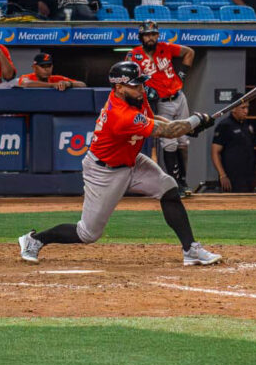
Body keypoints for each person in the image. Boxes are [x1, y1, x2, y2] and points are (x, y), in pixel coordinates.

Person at [17, 61, 221, 266]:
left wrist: (187, 126)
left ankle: (191, 249)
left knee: (169, 189)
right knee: (88, 233)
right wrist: (194, 121)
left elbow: (153, 121)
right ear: (119, 87)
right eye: (135, 85)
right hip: (104, 172)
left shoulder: (136, 98)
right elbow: (166, 132)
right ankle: (34, 240)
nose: (141, 89)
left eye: (141, 84)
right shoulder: (120, 114)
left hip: (132, 160)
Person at [127, 20, 196, 196]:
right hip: (161, 102)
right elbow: (127, 77)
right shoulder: (134, 55)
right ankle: (175, 185)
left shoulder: (165, 48)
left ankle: (183, 182)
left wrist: (181, 75)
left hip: (179, 97)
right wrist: (143, 89)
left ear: (157, 35)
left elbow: (190, 52)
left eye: (153, 34)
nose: (150, 38)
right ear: (141, 37)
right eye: (147, 35)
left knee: (183, 142)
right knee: (169, 142)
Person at [211, 100, 256, 193]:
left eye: (247, 108)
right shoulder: (224, 125)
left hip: (249, 177)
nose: (246, 111)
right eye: (243, 108)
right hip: (231, 178)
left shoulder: (249, 124)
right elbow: (215, 152)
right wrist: (222, 175)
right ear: (233, 108)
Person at [18, 52, 87, 89]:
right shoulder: (27, 77)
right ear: (34, 67)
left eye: (49, 66)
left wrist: (68, 84)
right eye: (43, 66)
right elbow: (26, 84)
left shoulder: (56, 79)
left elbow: (82, 85)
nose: (46, 69)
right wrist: (53, 85)